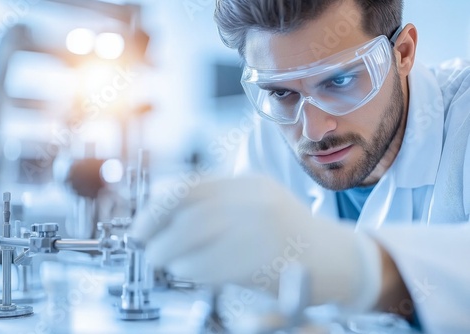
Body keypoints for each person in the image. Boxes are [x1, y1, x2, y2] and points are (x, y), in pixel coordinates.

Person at [132, 0, 470, 333]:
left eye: (339, 81)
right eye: (281, 93)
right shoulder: (267, 138)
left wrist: (360, 269)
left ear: (403, 53)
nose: (314, 130)